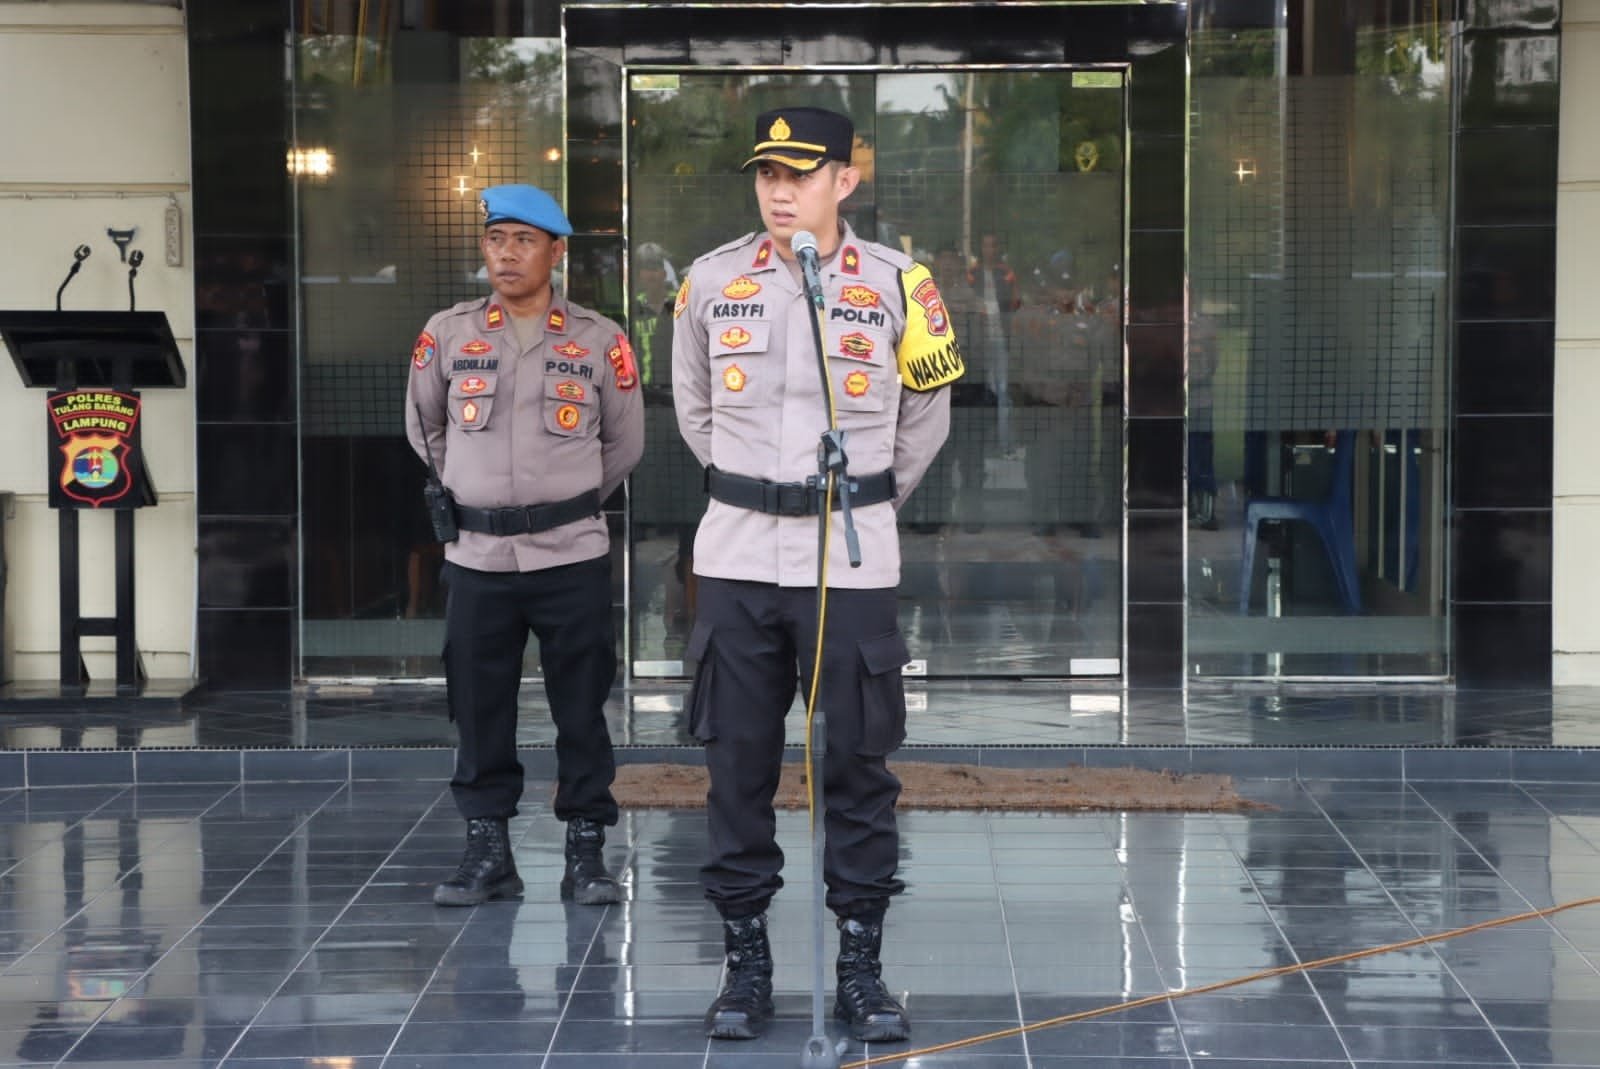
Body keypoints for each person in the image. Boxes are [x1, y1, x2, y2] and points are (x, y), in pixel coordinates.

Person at [671, 106, 963, 1044]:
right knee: (736, 765)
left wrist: (862, 500)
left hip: (850, 559)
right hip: (738, 556)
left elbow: (926, 415)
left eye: (800, 173)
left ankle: (861, 968)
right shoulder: (709, 281)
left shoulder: (902, 284)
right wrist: (761, 494)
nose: (780, 190)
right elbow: (694, 410)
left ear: (846, 180)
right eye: (768, 173)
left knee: (858, 767)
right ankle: (746, 965)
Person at [405, 183, 645, 909]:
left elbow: (624, 443)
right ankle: (488, 853)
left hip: (570, 554)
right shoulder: (448, 333)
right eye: (496, 239)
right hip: (477, 557)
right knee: (480, 707)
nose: (506, 254)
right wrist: (476, 491)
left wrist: (558, 501)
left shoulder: (599, 339)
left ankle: (585, 852)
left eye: (524, 241)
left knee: (581, 708)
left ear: (556, 252)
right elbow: (425, 429)